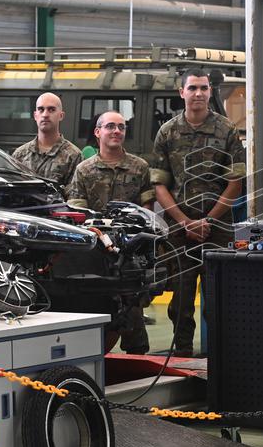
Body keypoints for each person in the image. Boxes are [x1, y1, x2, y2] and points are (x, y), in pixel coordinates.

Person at [152, 68, 245, 357]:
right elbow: (159, 184)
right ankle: (182, 353)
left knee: (219, 296)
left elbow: (235, 183)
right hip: (179, 230)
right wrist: (184, 222)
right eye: (192, 88)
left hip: (217, 229)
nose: (198, 93)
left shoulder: (227, 130)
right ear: (181, 92)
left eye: (204, 88)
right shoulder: (167, 132)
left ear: (210, 92)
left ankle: (221, 356)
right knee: (181, 297)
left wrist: (207, 221)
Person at [66, 110, 155, 355]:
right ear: (98, 132)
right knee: (95, 304)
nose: (116, 131)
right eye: (110, 126)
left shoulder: (139, 167)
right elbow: (77, 211)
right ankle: (95, 354)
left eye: (121, 127)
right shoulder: (84, 170)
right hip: (96, 251)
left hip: (130, 250)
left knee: (132, 306)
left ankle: (138, 358)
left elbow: (147, 208)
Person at [11, 93, 83, 189]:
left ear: (61, 116)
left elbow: (75, 195)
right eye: (41, 109)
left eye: (51, 110)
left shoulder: (73, 156)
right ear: (35, 115)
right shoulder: (20, 154)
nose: (45, 115)